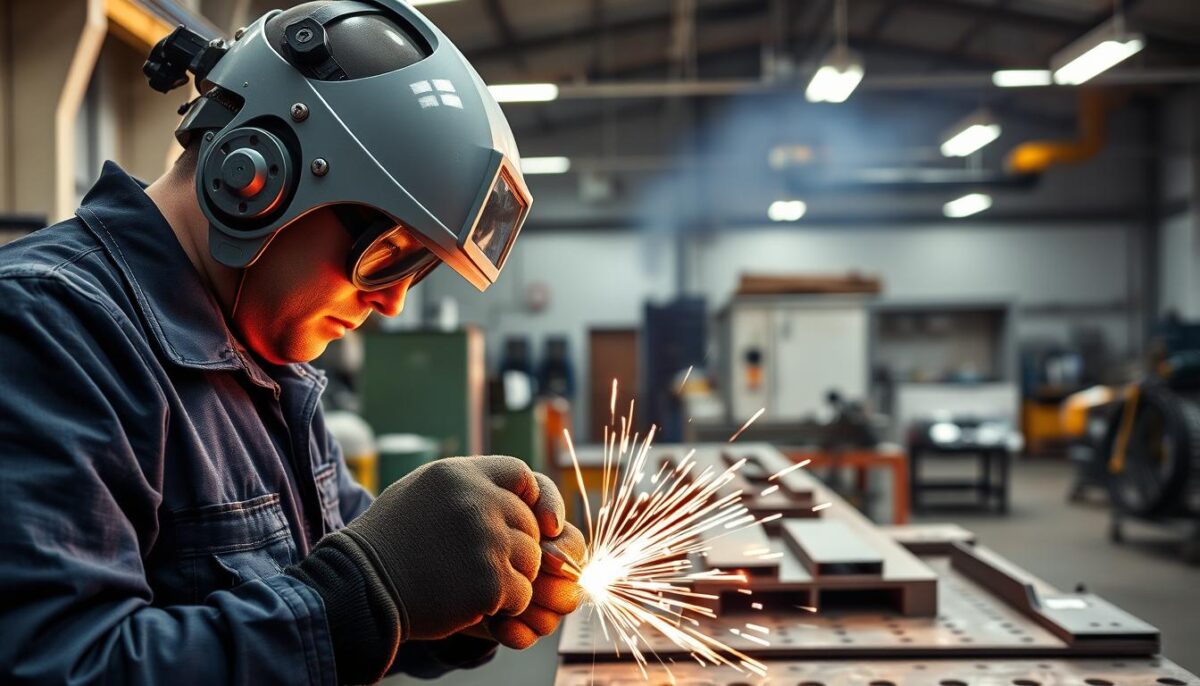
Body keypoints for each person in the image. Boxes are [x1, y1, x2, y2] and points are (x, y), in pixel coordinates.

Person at [0, 2, 585, 684]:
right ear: (257, 179)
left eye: (414, 271)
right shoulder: (47, 329)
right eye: (384, 255)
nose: (393, 300)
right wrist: (365, 593)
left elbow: (338, 582)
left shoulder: (272, 368)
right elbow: (59, 666)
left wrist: (462, 595)